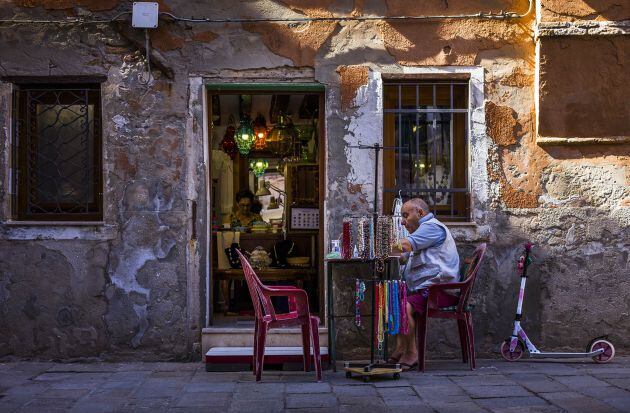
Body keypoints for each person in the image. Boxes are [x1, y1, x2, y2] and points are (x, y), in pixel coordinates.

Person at [390, 198, 460, 369]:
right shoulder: (423, 232)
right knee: (394, 298)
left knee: (403, 306)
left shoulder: (432, 227)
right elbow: (404, 255)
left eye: (406, 215)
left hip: (440, 291)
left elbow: (405, 246)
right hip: (429, 289)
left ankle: (412, 353)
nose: (403, 221)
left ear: (420, 213)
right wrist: (398, 254)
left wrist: (381, 246)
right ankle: (401, 347)